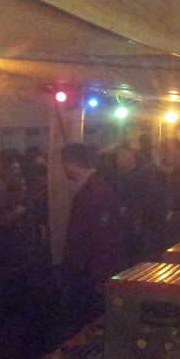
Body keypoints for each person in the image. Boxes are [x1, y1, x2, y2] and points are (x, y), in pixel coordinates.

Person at [58, 142, 122, 338]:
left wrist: (101, 275)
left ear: (70, 163)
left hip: (90, 274)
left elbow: (105, 238)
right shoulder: (92, 188)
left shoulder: (95, 192)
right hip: (86, 270)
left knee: (88, 323)